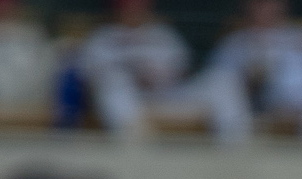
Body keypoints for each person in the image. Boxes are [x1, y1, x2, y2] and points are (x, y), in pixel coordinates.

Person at [75, 0, 245, 140]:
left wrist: (158, 76)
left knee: (222, 78)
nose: (134, 9)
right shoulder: (101, 38)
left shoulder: (163, 34)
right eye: (128, 5)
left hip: (169, 95)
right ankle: (137, 145)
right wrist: (133, 75)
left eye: (139, 4)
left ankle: (237, 145)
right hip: (130, 103)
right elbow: (89, 78)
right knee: (114, 82)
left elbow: (184, 71)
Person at [203, 0, 302, 140]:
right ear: (246, 6)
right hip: (274, 103)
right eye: (259, 3)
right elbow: (223, 88)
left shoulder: (299, 34)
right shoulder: (235, 43)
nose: (267, 8)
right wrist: (253, 76)